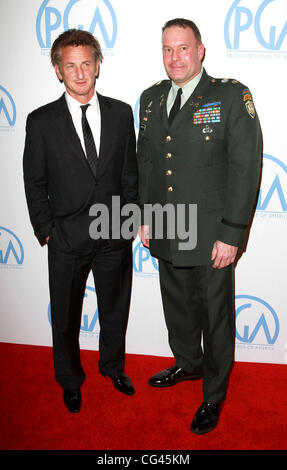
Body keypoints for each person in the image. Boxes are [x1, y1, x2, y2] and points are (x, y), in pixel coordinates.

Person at [137, 18, 261, 434]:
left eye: (183, 48)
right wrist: (145, 215)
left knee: (215, 315)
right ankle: (187, 364)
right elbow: (148, 163)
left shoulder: (229, 94)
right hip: (168, 225)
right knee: (178, 306)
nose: (175, 57)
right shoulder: (151, 99)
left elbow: (246, 167)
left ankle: (214, 393)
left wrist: (232, 232)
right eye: (167, 49)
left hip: (211, 233)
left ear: (200, 50)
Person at [23, 29, 138, 413]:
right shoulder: (40, 121)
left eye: (86, 63)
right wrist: (46, 233)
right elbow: (34, 182)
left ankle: (113, 367)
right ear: (58, 70)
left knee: (114, 309)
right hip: (66, 239)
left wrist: (129, 222)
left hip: (113, 234)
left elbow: (129, 175)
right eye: (70, 66)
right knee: (67, 317)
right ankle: (70, 379)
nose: (79, 73)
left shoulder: (122, 113)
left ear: (98, 65)